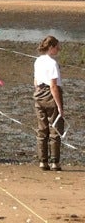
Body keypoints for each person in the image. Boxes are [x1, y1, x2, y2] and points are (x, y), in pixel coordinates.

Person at [33, 35, 64, 171]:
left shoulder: (38, 61)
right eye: (57, 47)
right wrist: (59, 106)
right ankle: (54, 162)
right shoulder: (52, 63)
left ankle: (42, 161)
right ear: (51, 47)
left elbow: (35, 81)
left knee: (42, 128)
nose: (58, 49)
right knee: (55, 129)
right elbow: (53, 86)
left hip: (39, 94)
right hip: (50, 95)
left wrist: (38, 94)